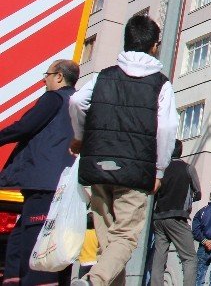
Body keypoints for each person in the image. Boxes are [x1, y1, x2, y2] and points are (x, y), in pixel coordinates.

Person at [69, 15, 178, 286]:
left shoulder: (104, 76)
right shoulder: (161, 83)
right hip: (134, 171)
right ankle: (94, 280)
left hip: (98, 165)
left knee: (109, 243)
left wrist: (81, 137)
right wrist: (160, 169)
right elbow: (166, 129)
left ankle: (99, 280)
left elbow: (77, 101)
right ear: (155, 46)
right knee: (126, 237)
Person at [0, 59, 79, 286]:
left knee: (34, 242)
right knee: (18, 240)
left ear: (59, 77)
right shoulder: (78, 103)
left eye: (47, 74)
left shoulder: (54, 98)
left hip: (44, 183)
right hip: (62, 183)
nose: (44, 79)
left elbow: (26, 126)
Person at [150, 140, 201, 286]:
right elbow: (198, 193)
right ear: (181, 151)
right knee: (190, 257)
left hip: (159, 217)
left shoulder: (161, 169)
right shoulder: (188, 168)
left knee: (159, 258)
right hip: (177, 216)